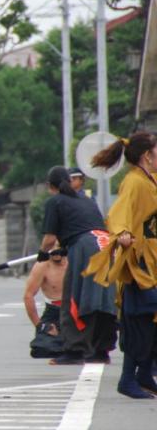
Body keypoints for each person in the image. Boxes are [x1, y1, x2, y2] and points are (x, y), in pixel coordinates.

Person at [85, 137, 157, 398]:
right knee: (141, 319)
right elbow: (120, 212)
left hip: (152, 258)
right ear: (147, 155)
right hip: (139, 261)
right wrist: (124, 232)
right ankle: (129, 378)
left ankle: (145, 374)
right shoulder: (134, 182)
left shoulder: (149, 180)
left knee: (148, 319)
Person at [39, 166, 117, 367]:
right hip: (105, 245)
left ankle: (75, 350)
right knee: (103, 299)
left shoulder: (55, 201)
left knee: (74, 298)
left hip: (84, 248)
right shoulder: (87, 200)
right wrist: (66, 247)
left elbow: (49, 239)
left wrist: (42, 254)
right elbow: (88, 227)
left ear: (50, 186)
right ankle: (101, 350)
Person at [23, 246, 67, 359]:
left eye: (58, 245)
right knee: (42, 348)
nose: (55, 249)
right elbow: (28, 296)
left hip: (77, 312)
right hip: (54, 312)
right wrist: (40, 325)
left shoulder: (77, 260)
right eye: (52, 247)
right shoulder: (42, 265)